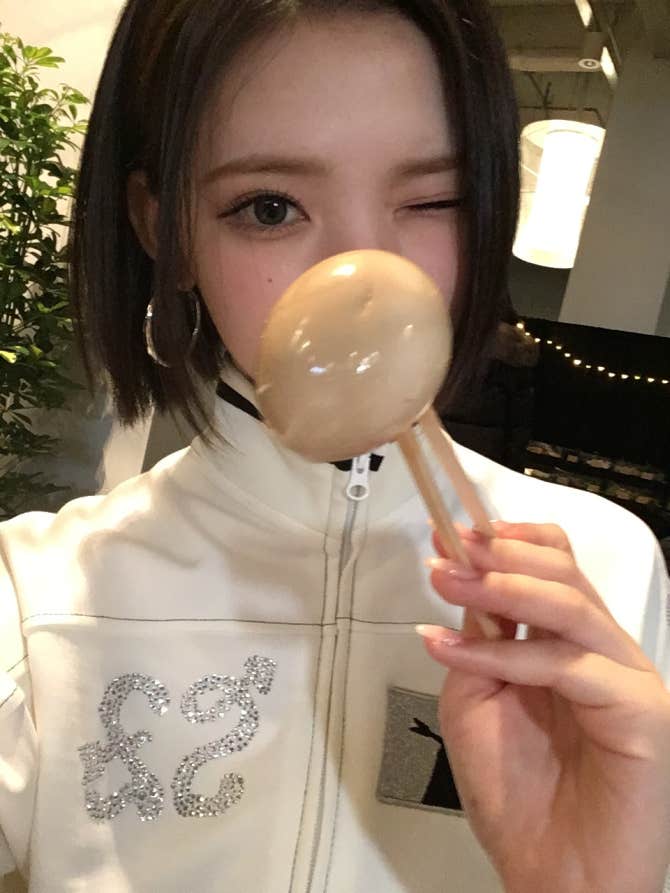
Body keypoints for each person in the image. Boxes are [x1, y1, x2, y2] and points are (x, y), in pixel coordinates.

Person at [1, 1, 669, 891]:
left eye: (432, 200)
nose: (364, 275)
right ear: (165, 229)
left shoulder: (601, 575)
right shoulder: (40, 597)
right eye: (269, 207)